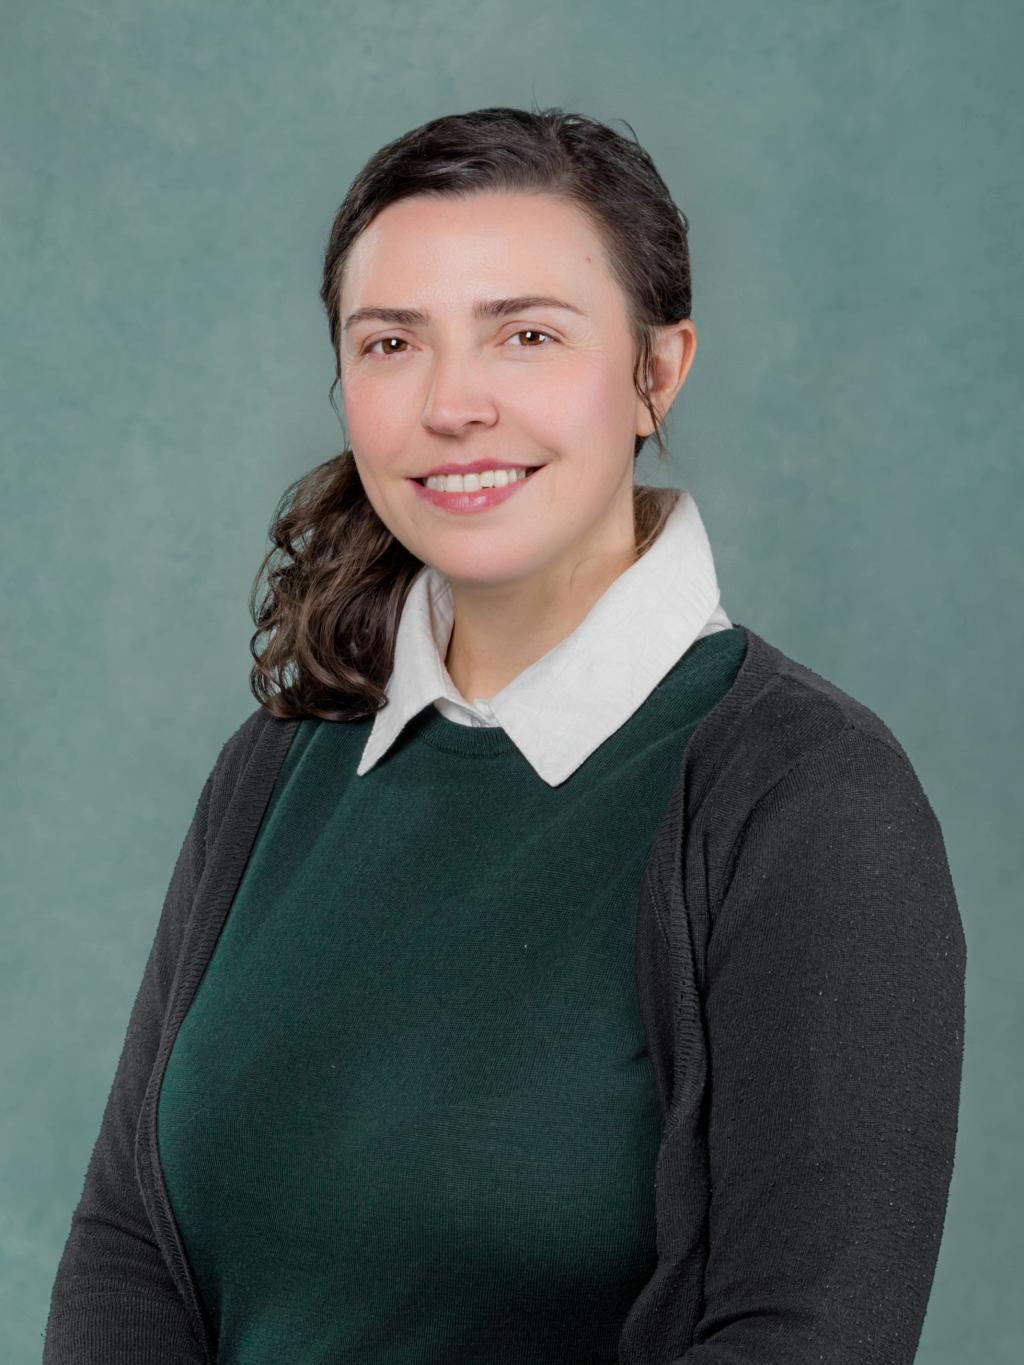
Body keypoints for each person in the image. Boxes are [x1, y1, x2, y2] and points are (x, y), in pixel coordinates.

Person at [42, 106, 966, 1365]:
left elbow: (805, 1336)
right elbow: (130, 1246)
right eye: (391, 343)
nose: (451, 404)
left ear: (657, 372)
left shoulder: (805, 798)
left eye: (526, 335)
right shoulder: (278, 763)